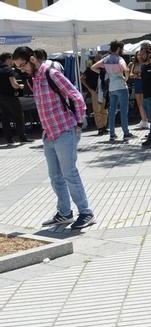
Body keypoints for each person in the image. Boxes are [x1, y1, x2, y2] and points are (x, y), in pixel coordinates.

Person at [13, 46, 95, 230]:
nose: (21, 70)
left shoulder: (51, 73)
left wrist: (79, 124)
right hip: (49, 134)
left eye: (22, 65)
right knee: (55, 176)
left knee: (69, 174)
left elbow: (76, 96)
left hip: (65, 130)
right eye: (18, 67)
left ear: (32, 59)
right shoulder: (34, 79)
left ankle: (86, 212)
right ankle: (65, 213)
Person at [91, 40, 133, 142]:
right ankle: (126, 133)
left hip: (111, 88)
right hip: (121, 87)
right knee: (123, 111)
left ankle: (112, 134)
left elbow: (93, 67)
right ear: (118, 49)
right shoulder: (119, 59)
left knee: (112, 111)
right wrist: (125, 78)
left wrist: (106, 74)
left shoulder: (105, 59)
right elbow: (126, 69)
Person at [0, 52, 28, 144]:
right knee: (18, 117)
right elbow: (14, 84)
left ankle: (9, 139)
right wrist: (20, 86)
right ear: (8, 59)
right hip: (11, 97)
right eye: (12, 59)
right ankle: (22, 137)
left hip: (1, 98)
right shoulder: (9, 70)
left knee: (5, 118)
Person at [128, 47, 147, 129]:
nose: (139, 56)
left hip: (143, 84)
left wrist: (137, 75)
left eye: (140, 54)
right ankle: (143, 120)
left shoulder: (145, 63)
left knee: (144, 103)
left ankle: (146, 120)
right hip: (137, 84)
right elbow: (130, 75)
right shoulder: (134, 64)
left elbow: (145, 75)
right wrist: (137, 75)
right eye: (137, 55)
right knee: (139, 104)